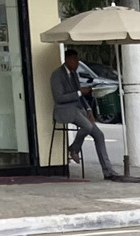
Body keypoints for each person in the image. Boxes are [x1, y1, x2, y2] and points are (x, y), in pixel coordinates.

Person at [50, 49, 119, 180]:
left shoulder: (75, 74)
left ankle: (108, 170)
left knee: (99, 135)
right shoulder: (57, 75)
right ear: (67, 60)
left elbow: (81, 96)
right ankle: (74, 149)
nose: (77, 64)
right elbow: (58, 97)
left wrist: (88, 109)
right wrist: (79, 93)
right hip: (64, 109)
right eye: (75, 60)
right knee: (87, 126)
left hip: (78, 108)